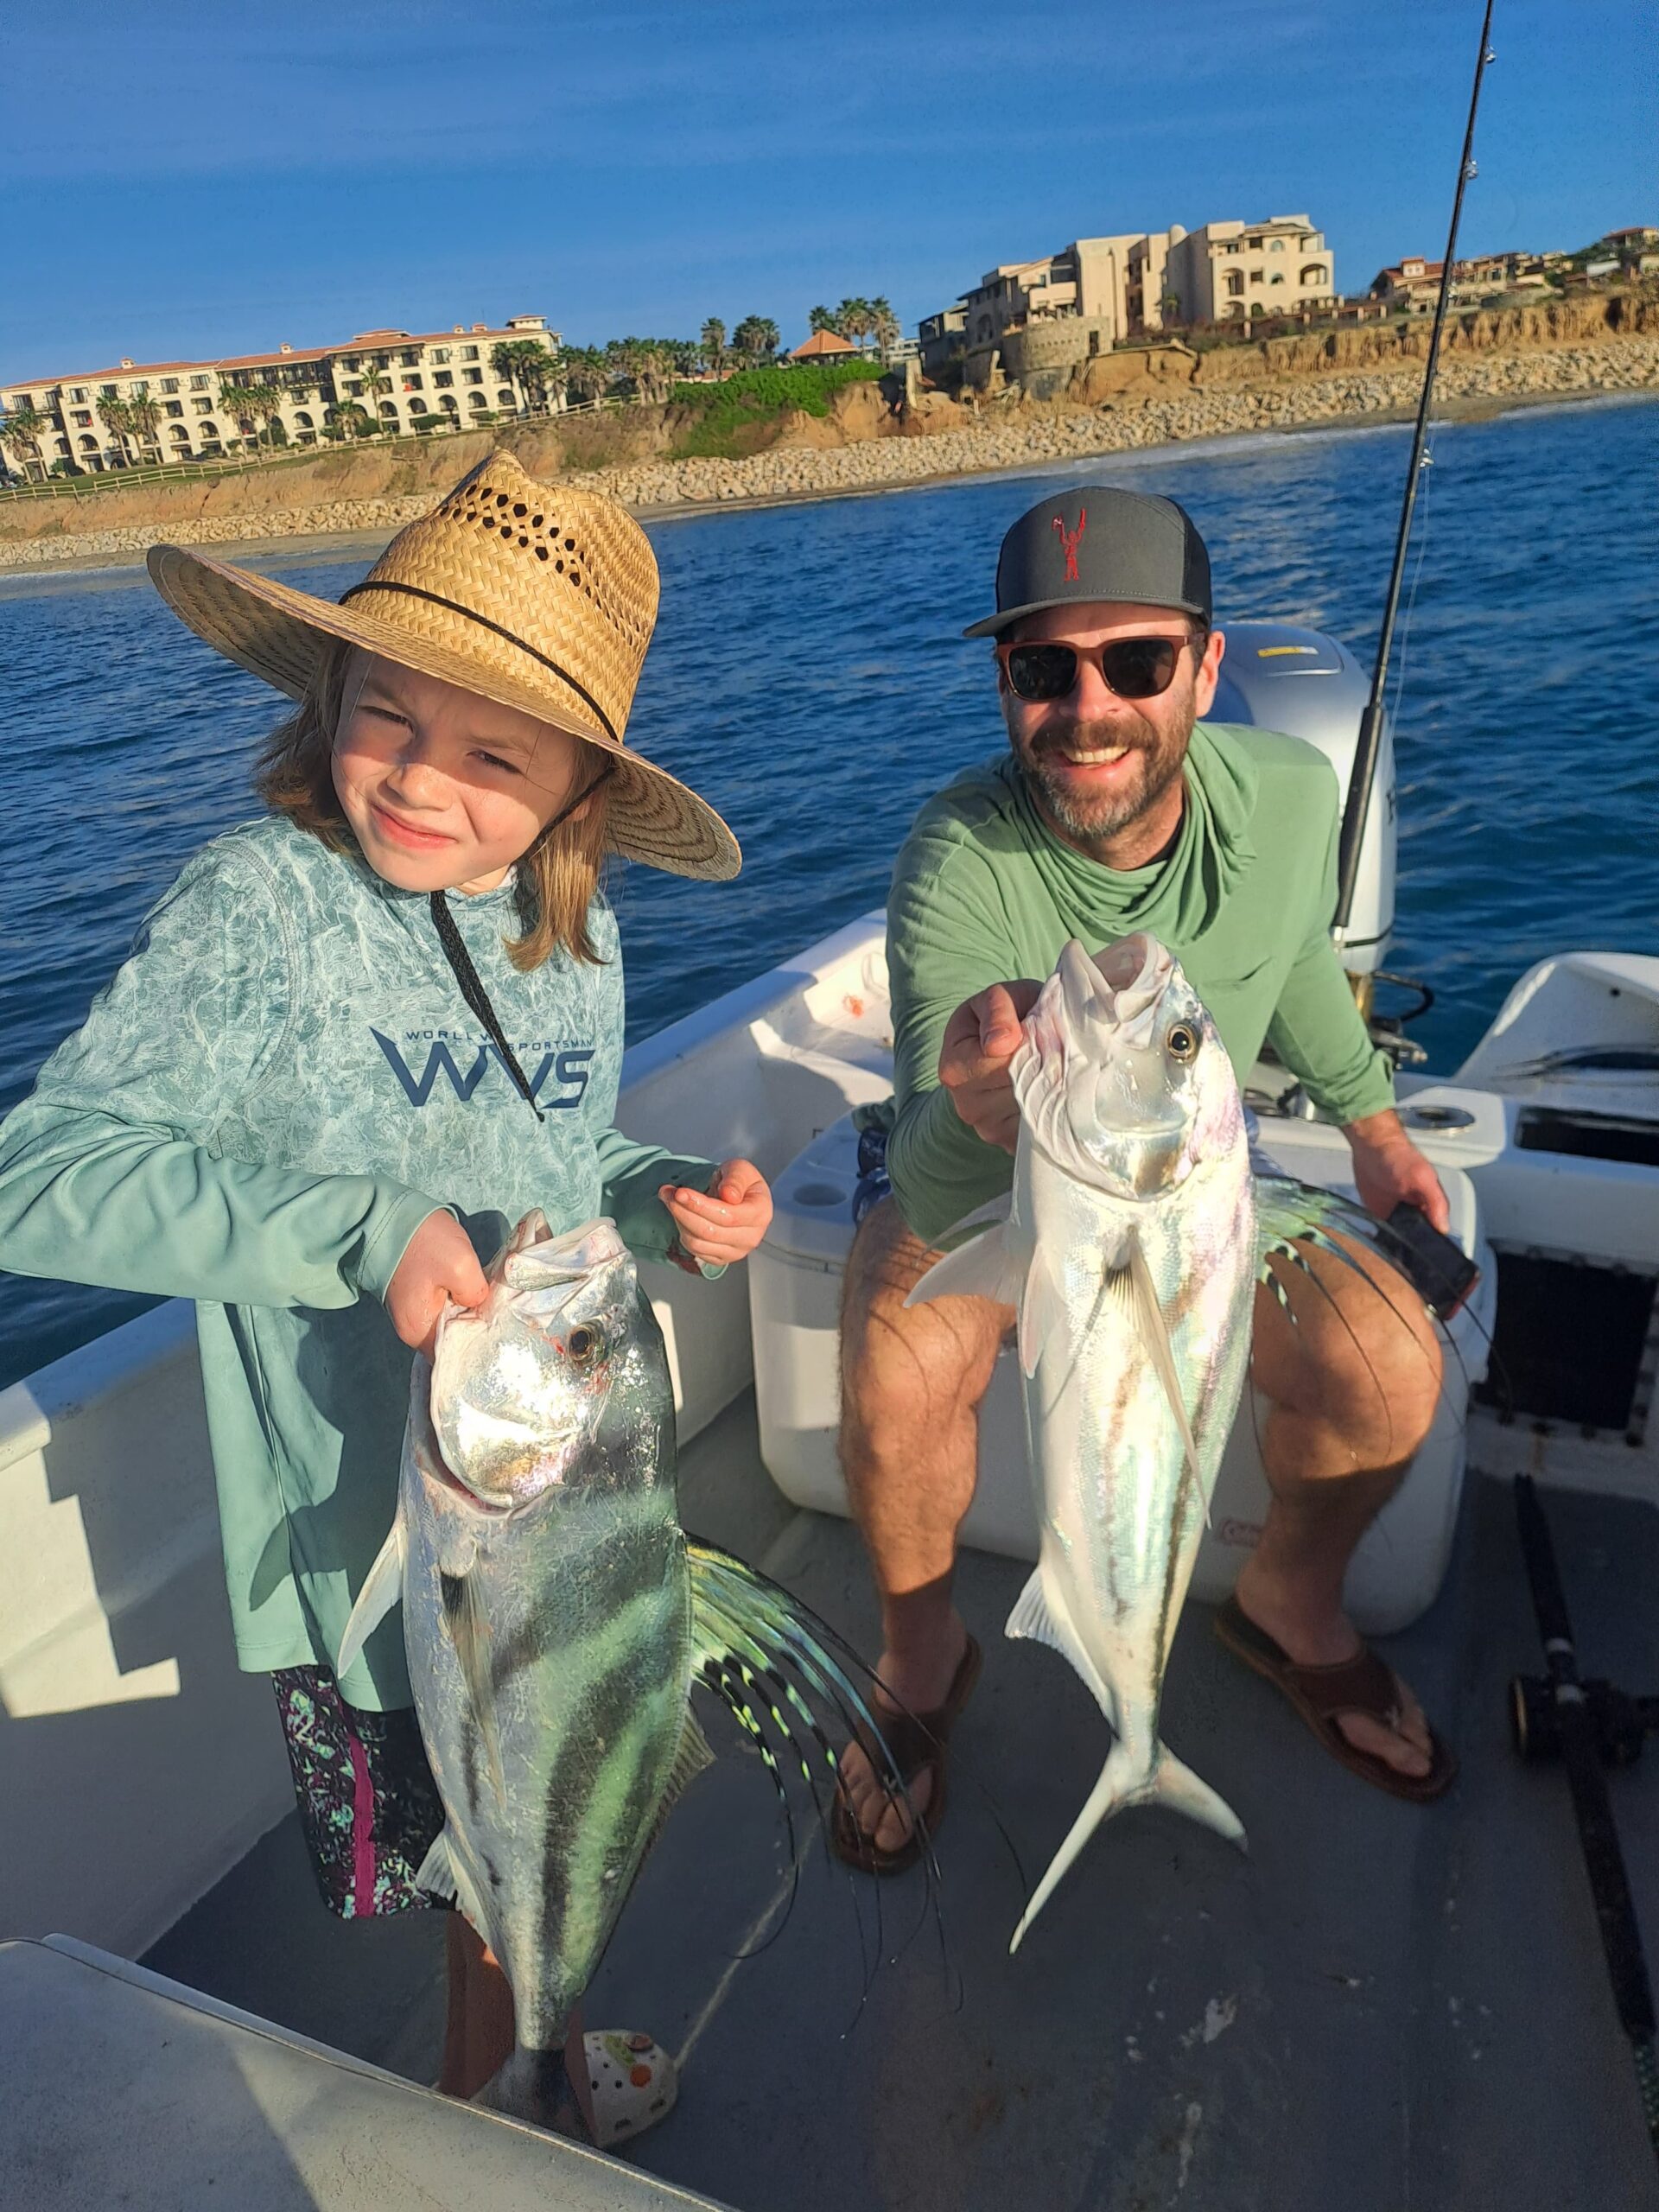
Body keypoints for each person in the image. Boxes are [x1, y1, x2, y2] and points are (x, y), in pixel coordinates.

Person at [0, 452, 773, 2145]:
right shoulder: (261, 905)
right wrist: (366, 1229)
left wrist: (659, 1193)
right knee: (462, 1870)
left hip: (564, 1510)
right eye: (383, 713)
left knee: (548, 1834)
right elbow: (37, 1164)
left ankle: (532, 2070)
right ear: (327, 690)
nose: (424, 780)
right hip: (366, 1559)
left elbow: (559, 1146)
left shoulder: (577, 929)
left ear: (581, 790)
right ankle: (480, 2115)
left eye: (495, 752)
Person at [833, 485, 1456, 1876]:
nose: (1089, 705)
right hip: (993, 1185)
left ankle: (1287, 1607)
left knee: (1398, 1367)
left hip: (1189, 1197)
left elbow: (1296, 965)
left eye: (1136, 662)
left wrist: (1374, 1129)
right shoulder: (958, 860)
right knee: (893, 1361)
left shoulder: (1296, 797)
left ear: (1209, 668)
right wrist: (982, 1104)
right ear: (1004, 682)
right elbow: (932, 1190)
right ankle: (922, 1659)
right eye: (1044, 668)